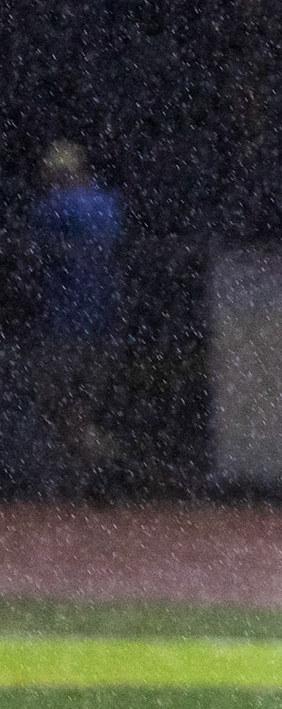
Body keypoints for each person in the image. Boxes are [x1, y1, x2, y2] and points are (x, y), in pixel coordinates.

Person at [27, 141, 124, 498]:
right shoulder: (109, 204)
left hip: (63, 324)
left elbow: (33, 252)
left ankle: (105, 462)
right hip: (103, 321)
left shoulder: (53, 208)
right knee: (82, 407)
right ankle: (100, 470)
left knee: (55, 405)